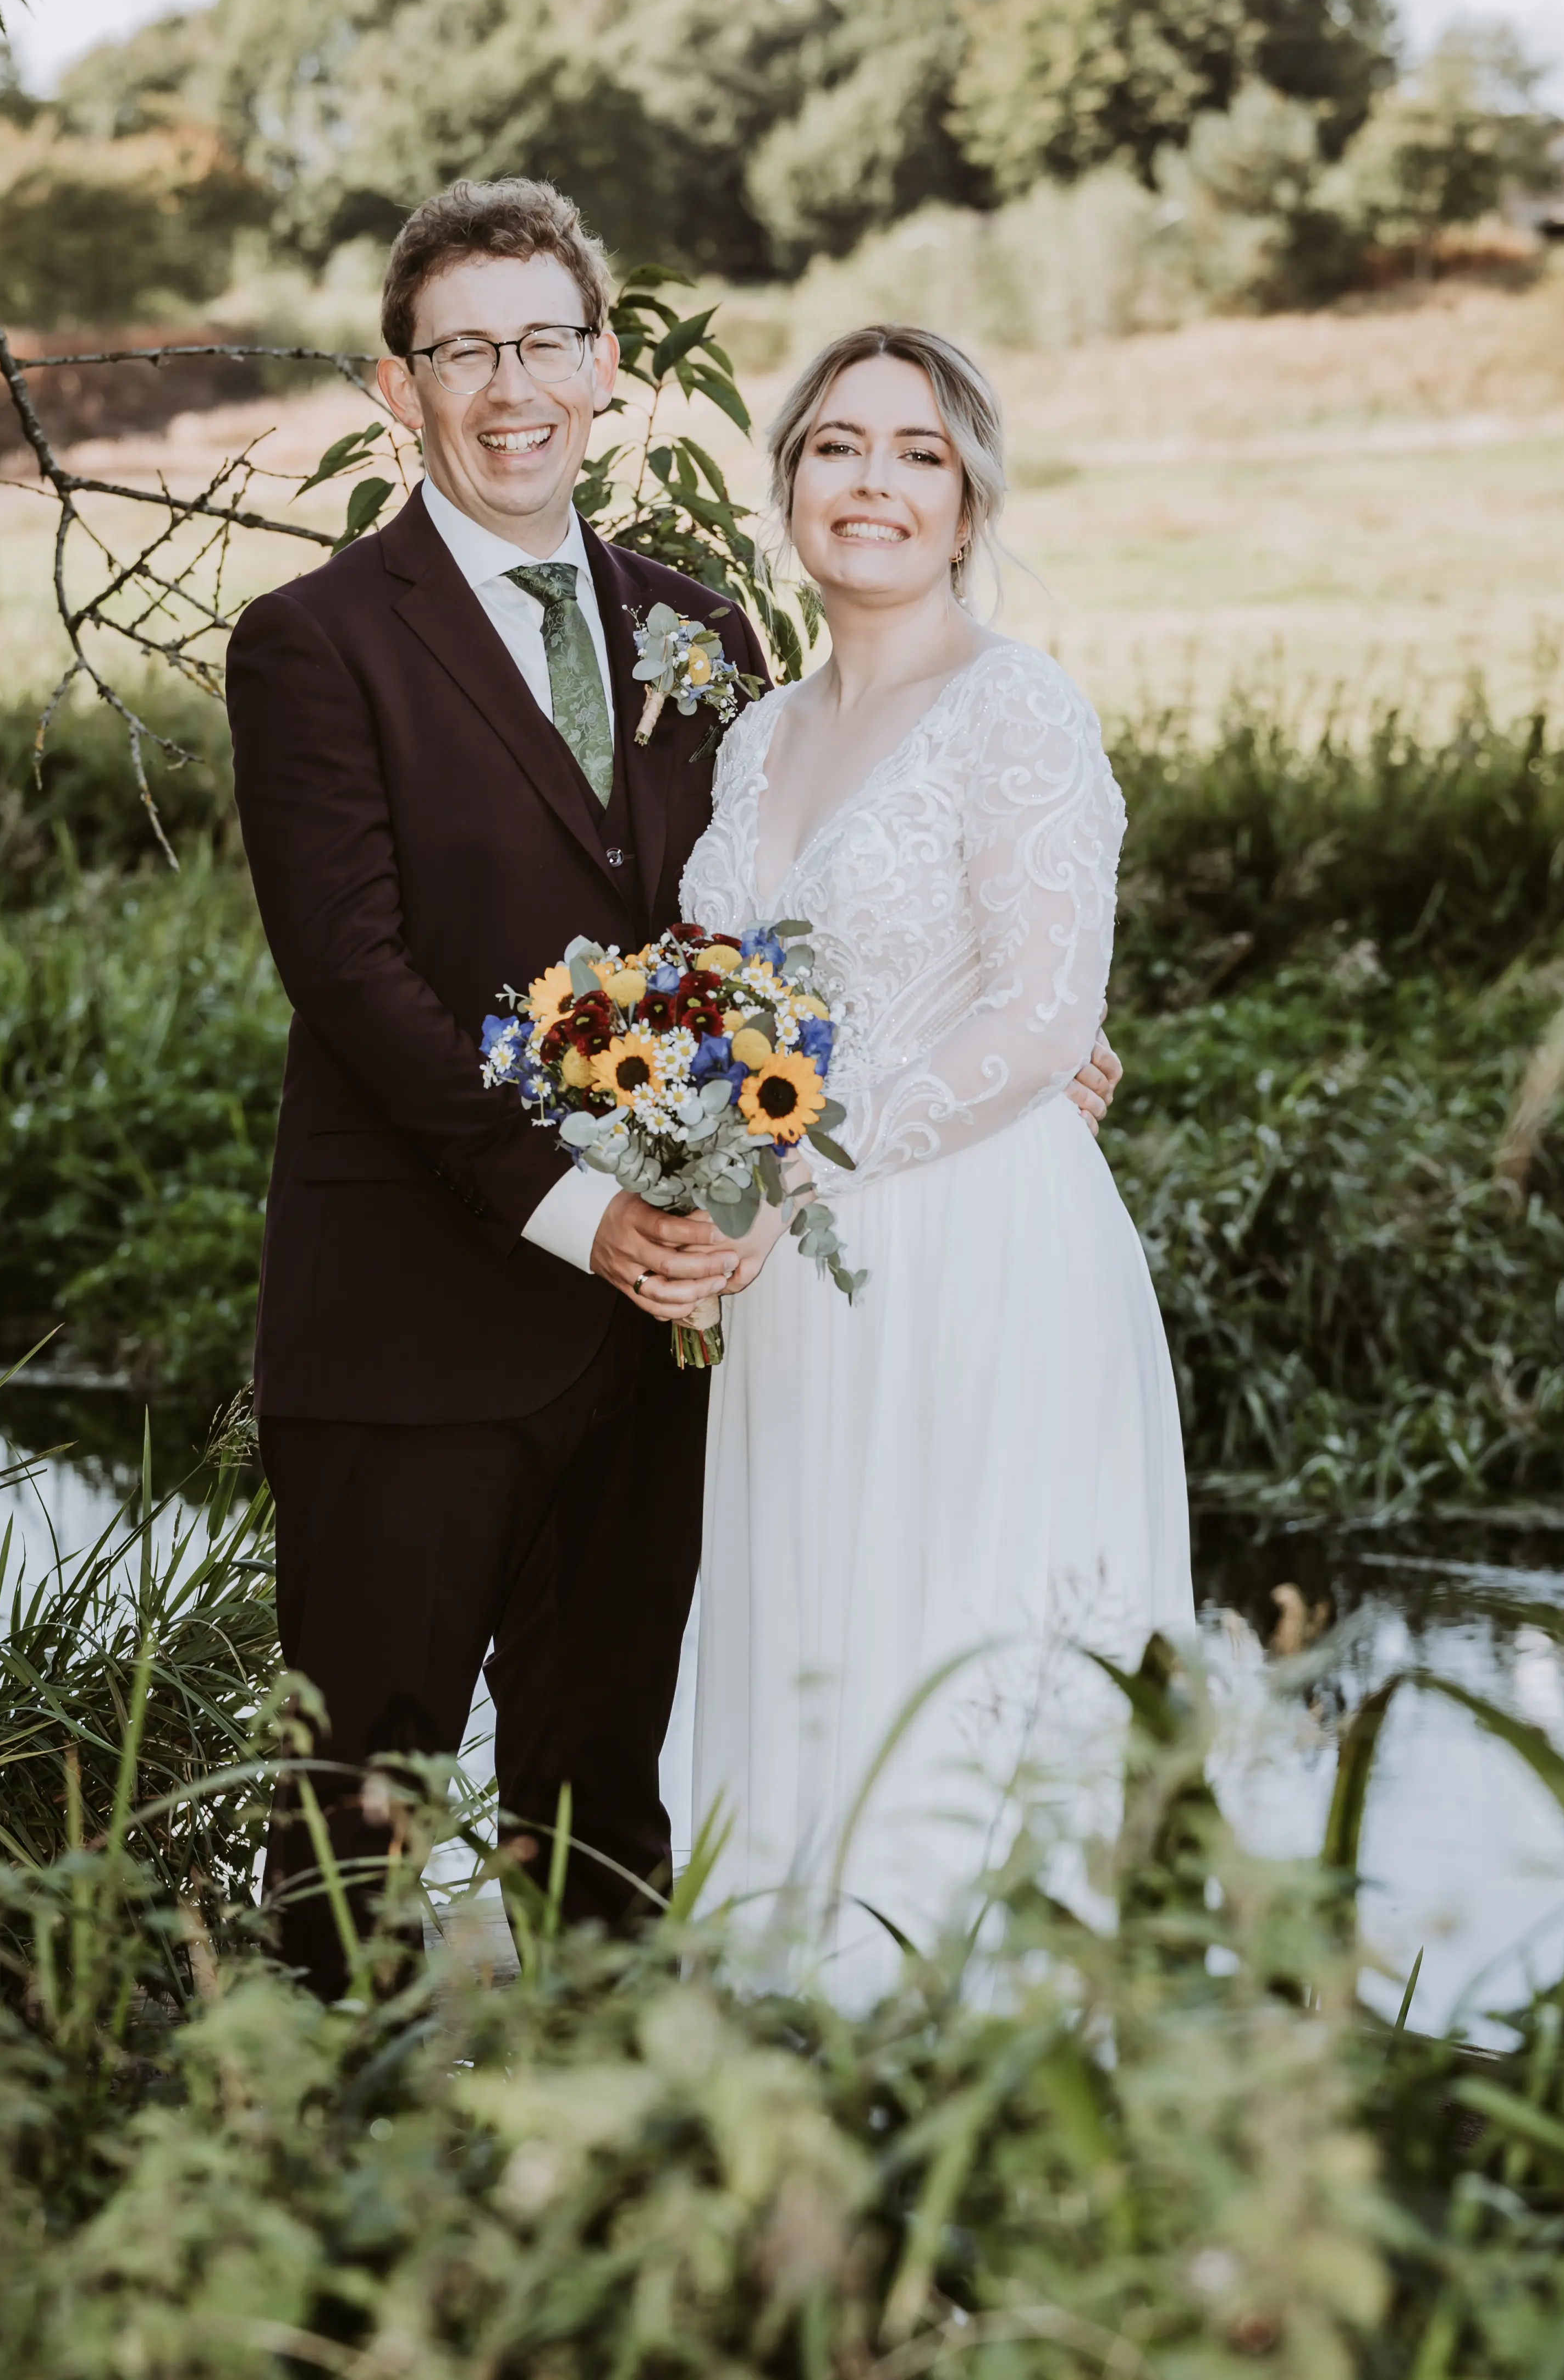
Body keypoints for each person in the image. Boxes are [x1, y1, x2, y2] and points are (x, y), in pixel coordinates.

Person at [227, 184, 1120, 1991]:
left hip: (685, 1343)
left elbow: (787, 927)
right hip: (415, 1320)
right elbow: (354, 972)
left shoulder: (702, 635)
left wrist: (1022, 1026)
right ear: (402, 390)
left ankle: (604, 2201)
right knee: (361, 1811)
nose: (511, 385)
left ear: (607, 366)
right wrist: (580, 1207)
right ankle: (323, 2219)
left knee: (609, 1820)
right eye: (465, 348)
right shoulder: (315, 640)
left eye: (545, 339)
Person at [682, 325, 1193, 2004]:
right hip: (793, 1288)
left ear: (968, 499)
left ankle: (980, 2088)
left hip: (976, 1253)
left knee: (958, 1649)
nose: (874, 483)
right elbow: (714, 1000)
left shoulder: (1017, 707)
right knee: (812, 1645)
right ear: (791, 489)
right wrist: (702, 1147)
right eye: (837, 447)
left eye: (916, 451)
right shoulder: (757, 737)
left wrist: (798, 1156)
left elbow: (1048, 1012)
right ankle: (794, 2067)